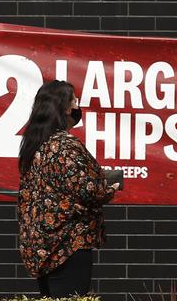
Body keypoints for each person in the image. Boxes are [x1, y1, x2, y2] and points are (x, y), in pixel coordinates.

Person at [17, 80, 119, 297]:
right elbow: (88, 190)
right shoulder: (64, 145)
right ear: (65, 107)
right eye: (74, 100)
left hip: (42, 246)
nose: (77, 104)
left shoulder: (36, 145)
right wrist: (110, 188)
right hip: (68, 245)